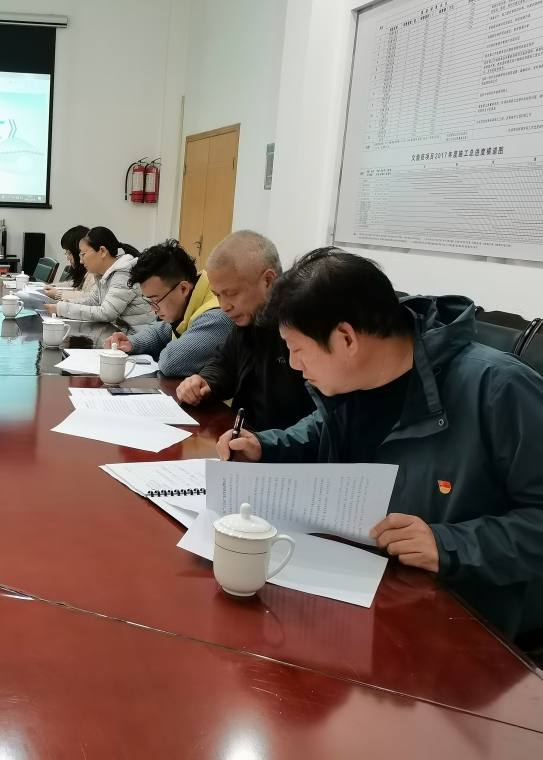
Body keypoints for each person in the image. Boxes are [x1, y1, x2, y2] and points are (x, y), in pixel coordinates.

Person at [219, 247, 543, 640]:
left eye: (297, 348)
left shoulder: (497, 389)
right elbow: (325, 428)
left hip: (459, 626)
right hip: (361, 595)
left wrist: (449, 544)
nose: (294, 363)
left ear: (346, 338)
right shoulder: (357, 381)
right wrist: (266, 446)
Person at [175, 230, 313, 431]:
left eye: (231, 293)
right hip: (247, 435)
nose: (224, 306)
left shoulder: (302, 325)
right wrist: (204, 382)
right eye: (217, 295)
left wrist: (265, 443)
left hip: (285, 443)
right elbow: (224, 364)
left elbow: (322, 417)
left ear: (268, 281)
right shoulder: (247, 320)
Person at [102, 240, 233, 377]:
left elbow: (172, 363)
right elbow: (161, 332)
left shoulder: (217, 317)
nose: (153, 309)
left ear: (183, 288)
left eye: (156, 300)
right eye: (150, 301)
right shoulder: (193, 298)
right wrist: (131, 343)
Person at [43, 227, 155, 333]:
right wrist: (63, 303)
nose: (81, 261)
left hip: (137, 336)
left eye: (83, 254)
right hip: (119, 333)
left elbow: (106, 313)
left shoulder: (123, 274)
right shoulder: (103, 273)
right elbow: (93, 301)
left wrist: (62, 308)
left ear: (102, 251)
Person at [44, 225, 95, 300]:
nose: (67, 257)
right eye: (66, 252)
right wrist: (53, 287)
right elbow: (72, 285)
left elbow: (91, 298)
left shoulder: (93, 273)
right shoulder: (81, 270)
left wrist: (58, 294)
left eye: (69, 253)